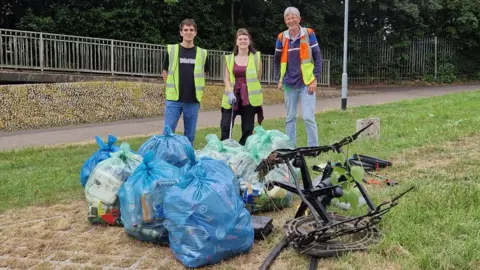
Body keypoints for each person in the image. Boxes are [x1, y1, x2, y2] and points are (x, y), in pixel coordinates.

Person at [274, 7, 323, 147]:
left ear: (299, 19)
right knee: (290, 118)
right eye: (288, 18)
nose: (291, 20)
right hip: (289, 84)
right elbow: (276, 59)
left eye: (293, 17)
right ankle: (291, 148)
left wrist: (315, 78)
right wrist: (279, 78)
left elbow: (317, 58)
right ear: (285, 21)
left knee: (308, 117)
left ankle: (313, 148)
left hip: (307, 83)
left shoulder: (308, 33)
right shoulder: (281, 37)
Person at [162, 18, 209, 146]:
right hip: (174, 100)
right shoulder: (172, 50)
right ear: (181, 32)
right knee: (167, 134)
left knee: (189, 136)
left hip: (193, 100)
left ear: (195, 33)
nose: (189, 32)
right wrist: (170, 89)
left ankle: (187, 162)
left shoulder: (202, 53)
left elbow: (204, 74)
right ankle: (164, 160)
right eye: (186, 30)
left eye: (191, 30)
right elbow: (165, 72)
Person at [220, 28, 264, 145]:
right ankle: (225, 147)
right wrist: (230, 92)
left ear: (249, 41)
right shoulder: (229, 59)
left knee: (248, 127)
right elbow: (227, 79)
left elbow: (258, 78)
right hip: (232, 95)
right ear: (236, 42)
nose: (243, 41)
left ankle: (244, 149)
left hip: (248, 97)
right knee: (225, 125)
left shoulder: (256, 58)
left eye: (245, 39)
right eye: (240, 39)